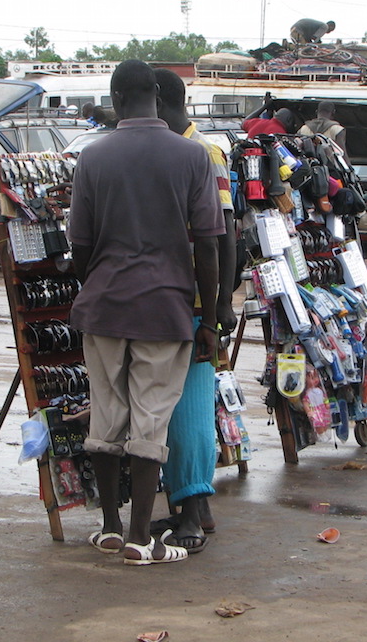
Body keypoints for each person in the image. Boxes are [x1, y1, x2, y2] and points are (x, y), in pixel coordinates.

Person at [68, 59, 224, 565]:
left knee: (106, 417)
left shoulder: (93, 157)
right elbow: (209, 244)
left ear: (116, 100)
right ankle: (141, 538)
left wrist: (96, 283)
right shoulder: (192, 156)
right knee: (151, 421)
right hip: (165, 308)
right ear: (157, 96)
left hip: (105, 308)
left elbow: (79, 244)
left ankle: (111, 527)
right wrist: (210, 320)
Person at [150, 67, 238, 553]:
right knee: (179, 408)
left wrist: (218, 306)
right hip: (176, 299)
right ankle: (193, 505)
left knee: (189, 410)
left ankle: (192, 512)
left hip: (194, 302)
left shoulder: (203, 152)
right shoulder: (176, 150)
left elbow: (223, 235)